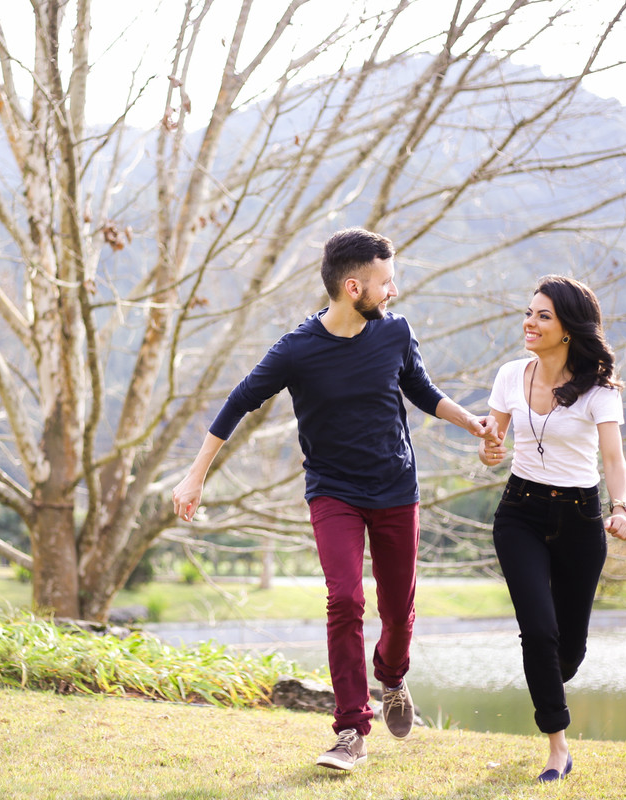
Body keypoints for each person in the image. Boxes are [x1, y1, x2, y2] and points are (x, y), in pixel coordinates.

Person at [172, 227, 497, 771]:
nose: (393, 291)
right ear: (353, 287)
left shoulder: (395, 333)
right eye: (385, 282)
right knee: (344, 599)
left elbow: (420, 388)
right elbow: (239, 401)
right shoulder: (297, 349)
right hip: (333, 492)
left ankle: (391, 676)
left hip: (395, 488)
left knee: (398, 613)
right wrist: (194, 476)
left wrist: (471, 422)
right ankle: (351, 730)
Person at [477, 275, 626, 783]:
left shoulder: (598, 389)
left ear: (568, 329)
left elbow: (613, 458)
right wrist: (489, 448)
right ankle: (557, 748)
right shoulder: (510, 375)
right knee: (538, 632)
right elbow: (493, 441)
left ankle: (548, 675)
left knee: (567, 651)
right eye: (529, 312)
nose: (530, 322)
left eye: (543, 316)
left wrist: (621, 508)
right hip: (519, 513)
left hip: (580, 519)